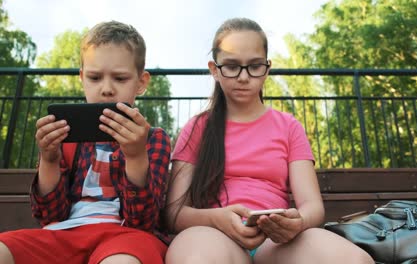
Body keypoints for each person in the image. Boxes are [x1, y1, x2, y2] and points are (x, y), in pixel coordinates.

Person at [164, 17, 374, 264]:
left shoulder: (289, 127)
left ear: (267, 68)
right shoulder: (197, 128)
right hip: (213, 236)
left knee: (353, 260)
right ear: (214, 70)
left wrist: (297, 223)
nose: (243, 77)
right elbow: (174, 213)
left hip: (277, 244)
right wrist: (217, 218)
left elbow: (312, 206)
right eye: (231, 66)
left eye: (254, 66)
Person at [0, 21, 170, 264]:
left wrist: (135, 156)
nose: (107, 89)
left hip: (128, 238)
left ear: (141, 82)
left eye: (120, 78)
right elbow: (49, 215)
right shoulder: (65, 135)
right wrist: (49, 160)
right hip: (65, 234)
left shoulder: (154, 138)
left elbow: (142, 221)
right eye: (94, 77)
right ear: (82, 78)